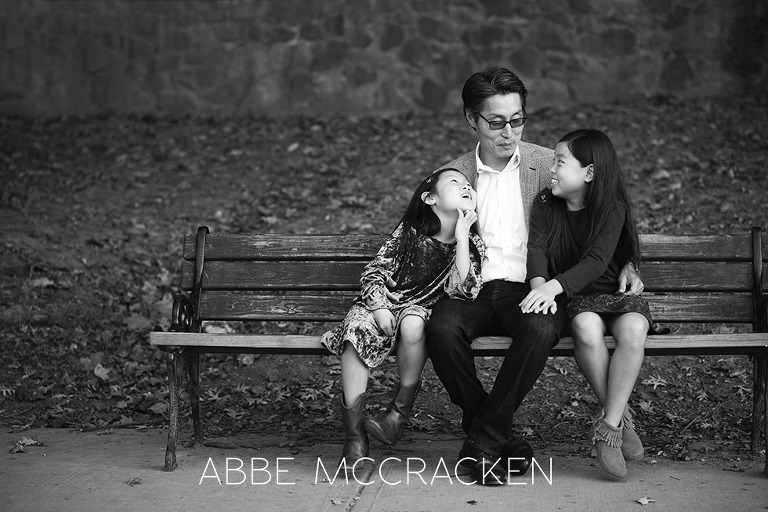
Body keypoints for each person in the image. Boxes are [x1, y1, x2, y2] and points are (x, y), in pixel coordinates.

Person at [425, 67, 645, 485]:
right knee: (442, 327)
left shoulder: (549, 165)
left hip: (533, 288)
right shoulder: (453, 176)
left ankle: (482, 441)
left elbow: (606, 207)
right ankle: (494, 438)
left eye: (517, 119)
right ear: (472, 119)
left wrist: (630, 261)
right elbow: (425, 236)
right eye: (496, 122)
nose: (509, 132)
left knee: (541, 329)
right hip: (472, 289)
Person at [321, 168, 485, 468]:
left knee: (414, 323)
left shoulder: (473, 244)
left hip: (419, 310)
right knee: (355, 330)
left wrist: (463, 236)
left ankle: (397, 416)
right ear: (430, 198)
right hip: (381, 305)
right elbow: (374, 272)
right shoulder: (411, 231)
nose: (465, 187)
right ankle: (354, 435)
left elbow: (464, 291)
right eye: (454, 183)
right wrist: (380, 307)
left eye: (468, 186)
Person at [521, 129, 650, 479]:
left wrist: (552, 288)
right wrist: (539, 288)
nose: (552, 168)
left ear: (589, 173)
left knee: (635, 328)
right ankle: (620, 419)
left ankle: (608, 426)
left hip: (613, 292)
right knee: (586, 327)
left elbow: (597, 260)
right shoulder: (547, 204)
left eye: (560, 161)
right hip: (579, 298)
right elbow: (537, 252)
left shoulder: (612, 208)